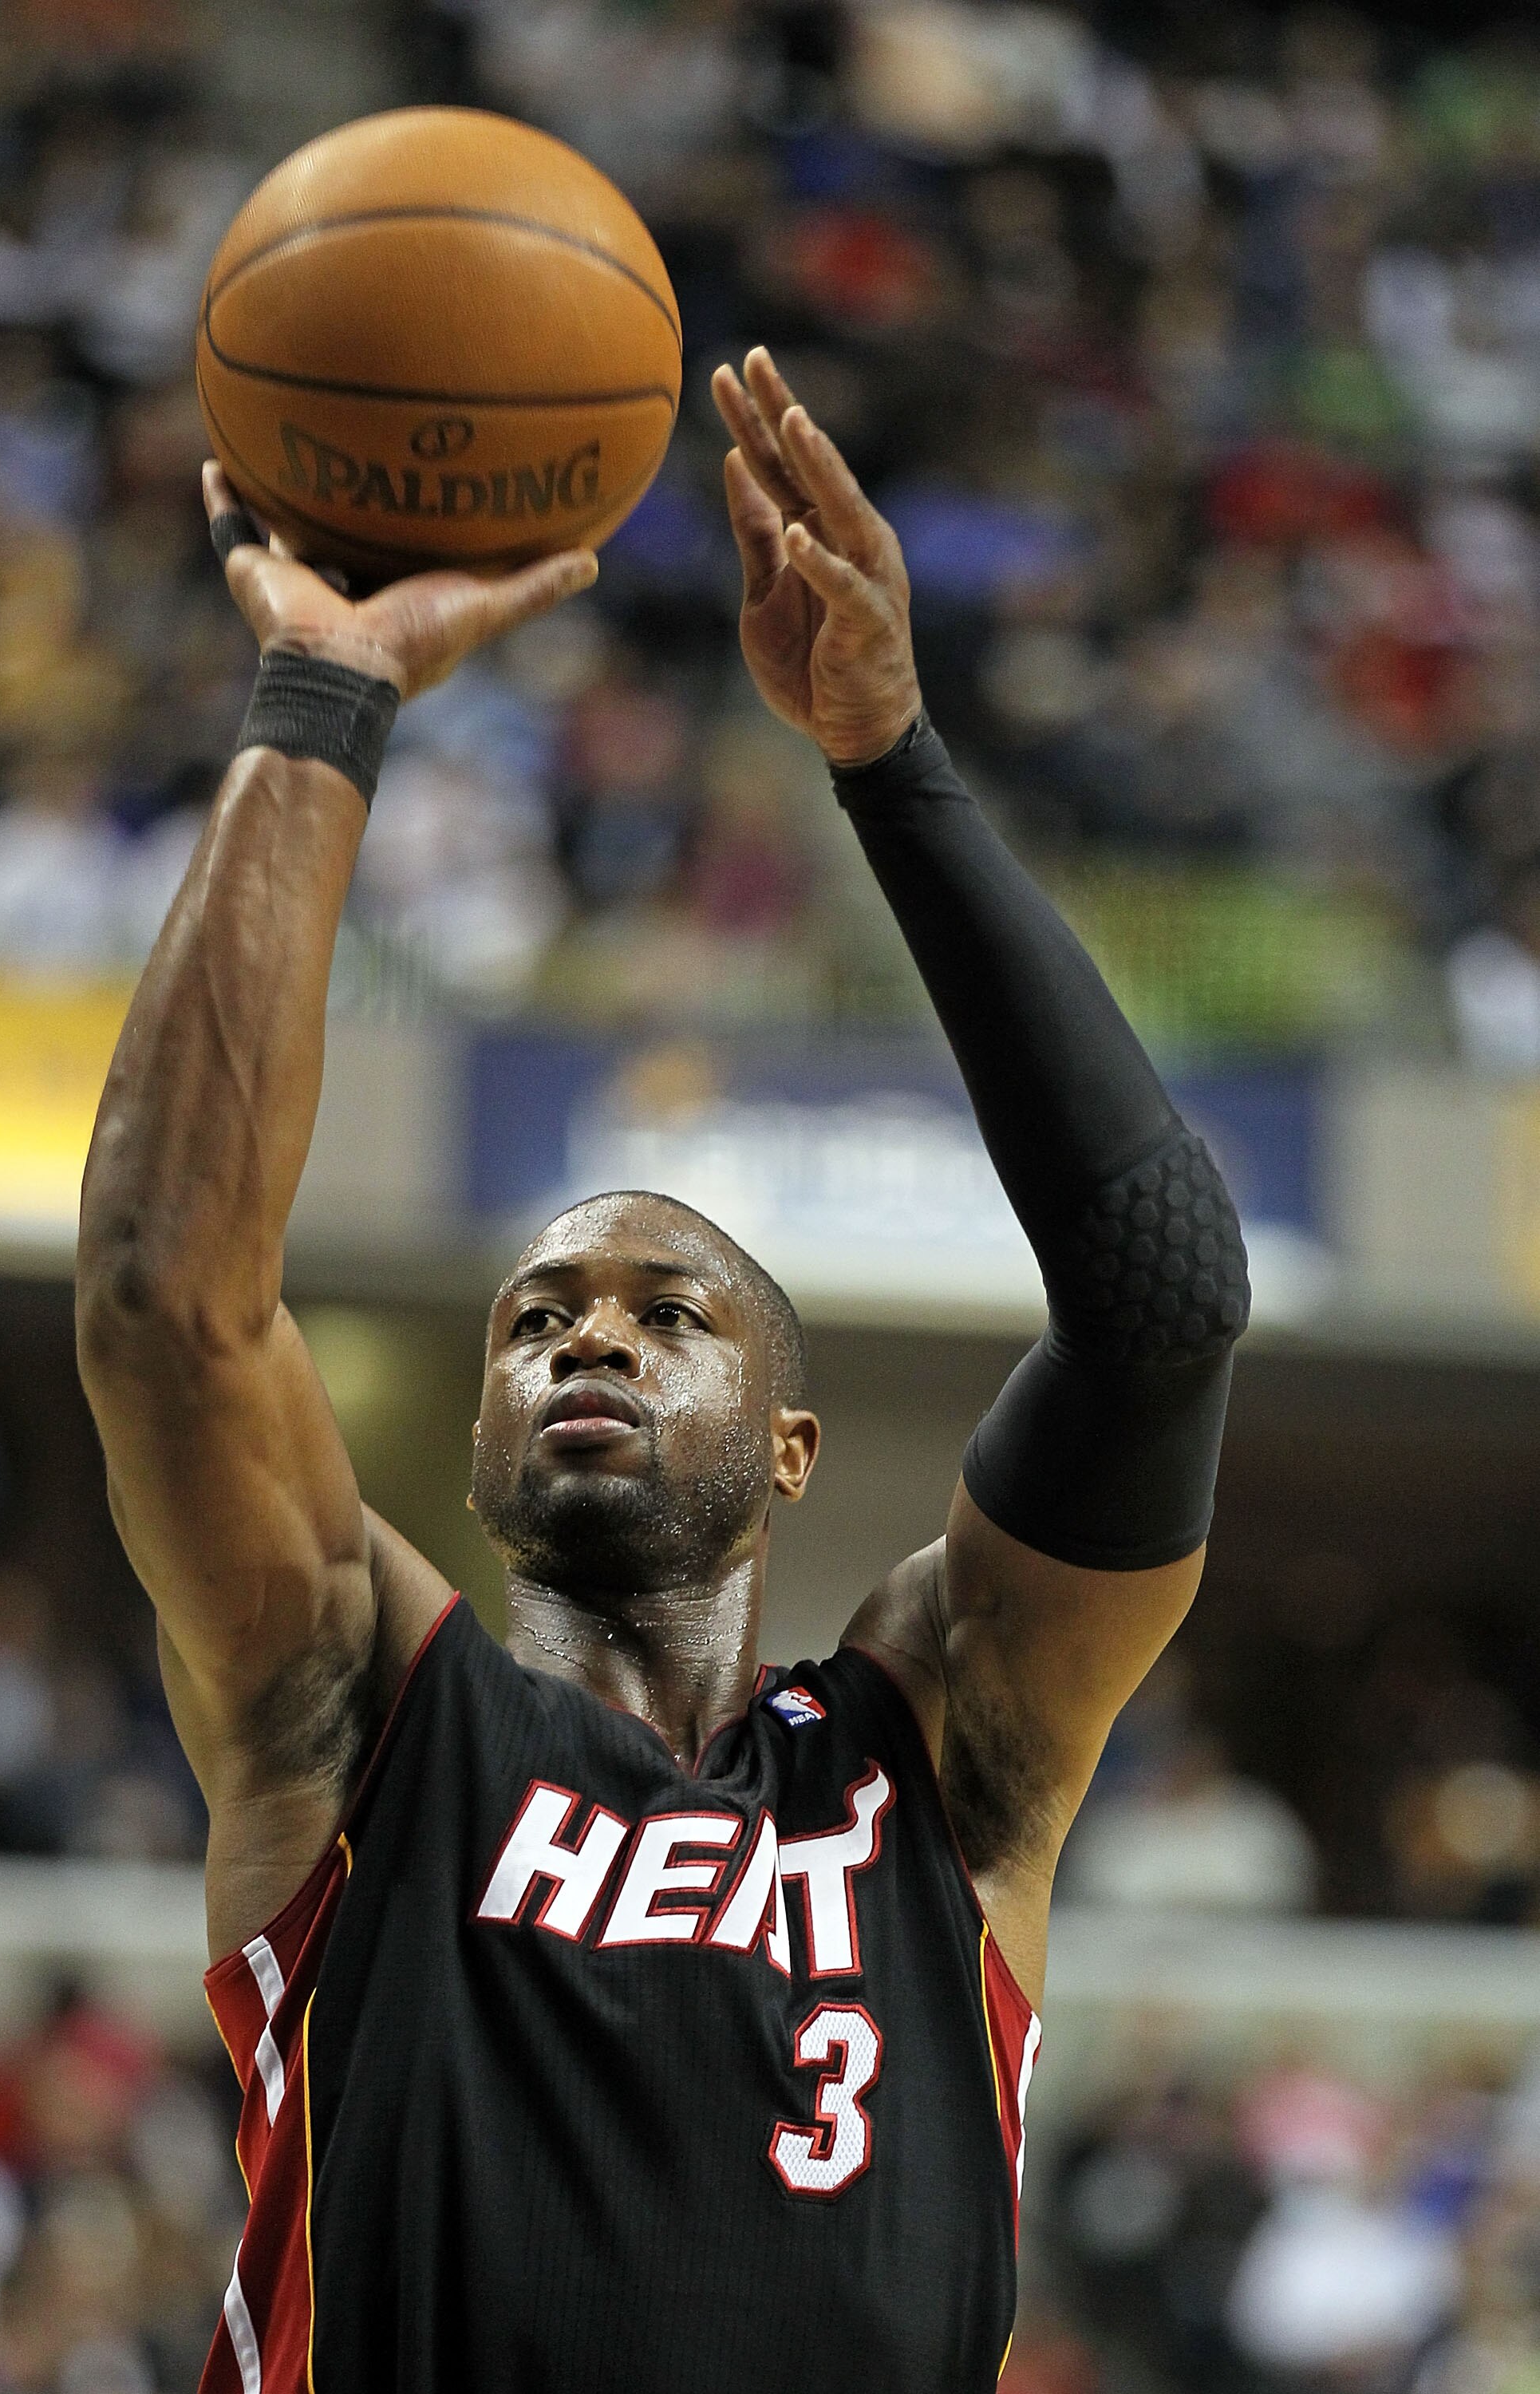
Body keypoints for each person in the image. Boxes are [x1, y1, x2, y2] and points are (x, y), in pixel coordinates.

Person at [75, 348, 1250, 2394]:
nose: (586, 1330)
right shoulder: (364, 1717)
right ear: (481, 1431)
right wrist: (325, 698)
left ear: (796, 1450)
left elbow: (1160, 1302)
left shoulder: (935, 1771)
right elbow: (169, 1304)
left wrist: (890, 761)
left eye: (664, 1308)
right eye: (536, 1317)